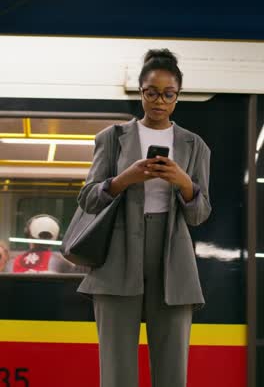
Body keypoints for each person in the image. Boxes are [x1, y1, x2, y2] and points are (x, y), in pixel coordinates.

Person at [77, 49, 212, 387]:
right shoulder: (112, 138)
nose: (159, 100)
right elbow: (88, 199)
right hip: (117, 257)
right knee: (117, 369)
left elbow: (199, 215)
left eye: (168, 94)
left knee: (172, 372)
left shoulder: (194, 146)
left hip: (172, 260)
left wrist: (184, 183)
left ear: (178, 97)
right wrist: (125, 179)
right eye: (152, 92)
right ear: (141, 92)